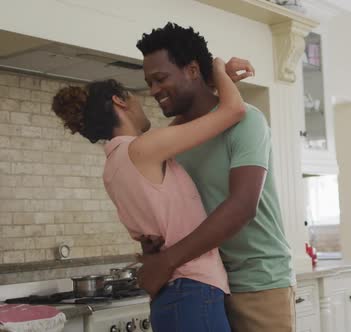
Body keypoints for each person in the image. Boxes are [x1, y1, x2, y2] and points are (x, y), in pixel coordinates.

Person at [51, 58, 246, 332]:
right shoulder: (143, 150)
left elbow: (185, 127)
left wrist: (210, 88)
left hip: (170, 298)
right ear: (120, 101)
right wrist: (216, 68)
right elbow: (234, 110)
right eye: (137, 95)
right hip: (193, 290)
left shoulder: (114, 166)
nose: (147, 100)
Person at [135, 22, 296, 332]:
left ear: (193, 70)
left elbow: (243, 205)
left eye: (160, 79)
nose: (153, 90)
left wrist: (167, 261)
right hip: (203, 285)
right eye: (148, 82)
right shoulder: (172, 141)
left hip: (258, 283)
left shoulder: (246, 121)